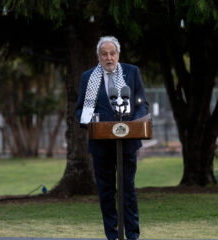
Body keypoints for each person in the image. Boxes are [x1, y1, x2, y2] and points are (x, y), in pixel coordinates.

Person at [76, 36, 149, 240]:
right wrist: (90, 121)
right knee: (106, 193)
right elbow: (80, 109)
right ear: (98, 57)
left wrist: (134, 123)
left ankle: (132, 234)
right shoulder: (88, 77)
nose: (108, 58)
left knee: (128, 190)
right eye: (104, 54)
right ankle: (112, 235)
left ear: (118, 55)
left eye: (112, 53)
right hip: (101, 145)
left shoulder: (131, 72)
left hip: (128, 143)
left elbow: (142, 104)